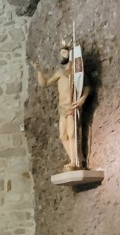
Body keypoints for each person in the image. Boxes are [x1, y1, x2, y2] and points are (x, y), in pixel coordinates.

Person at [36, 42, 90, 171]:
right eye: (62, 54)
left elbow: (87, 86)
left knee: (72, 134)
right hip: (62, 108)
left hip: (72, 106)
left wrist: (82, 98)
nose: (63, 56)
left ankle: (75, 161)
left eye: (65, 53)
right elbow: (45, 84)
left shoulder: (77, 73)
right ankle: (72, 159)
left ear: (71, 55)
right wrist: (39, 71)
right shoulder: (60, 73)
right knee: (63, 135)